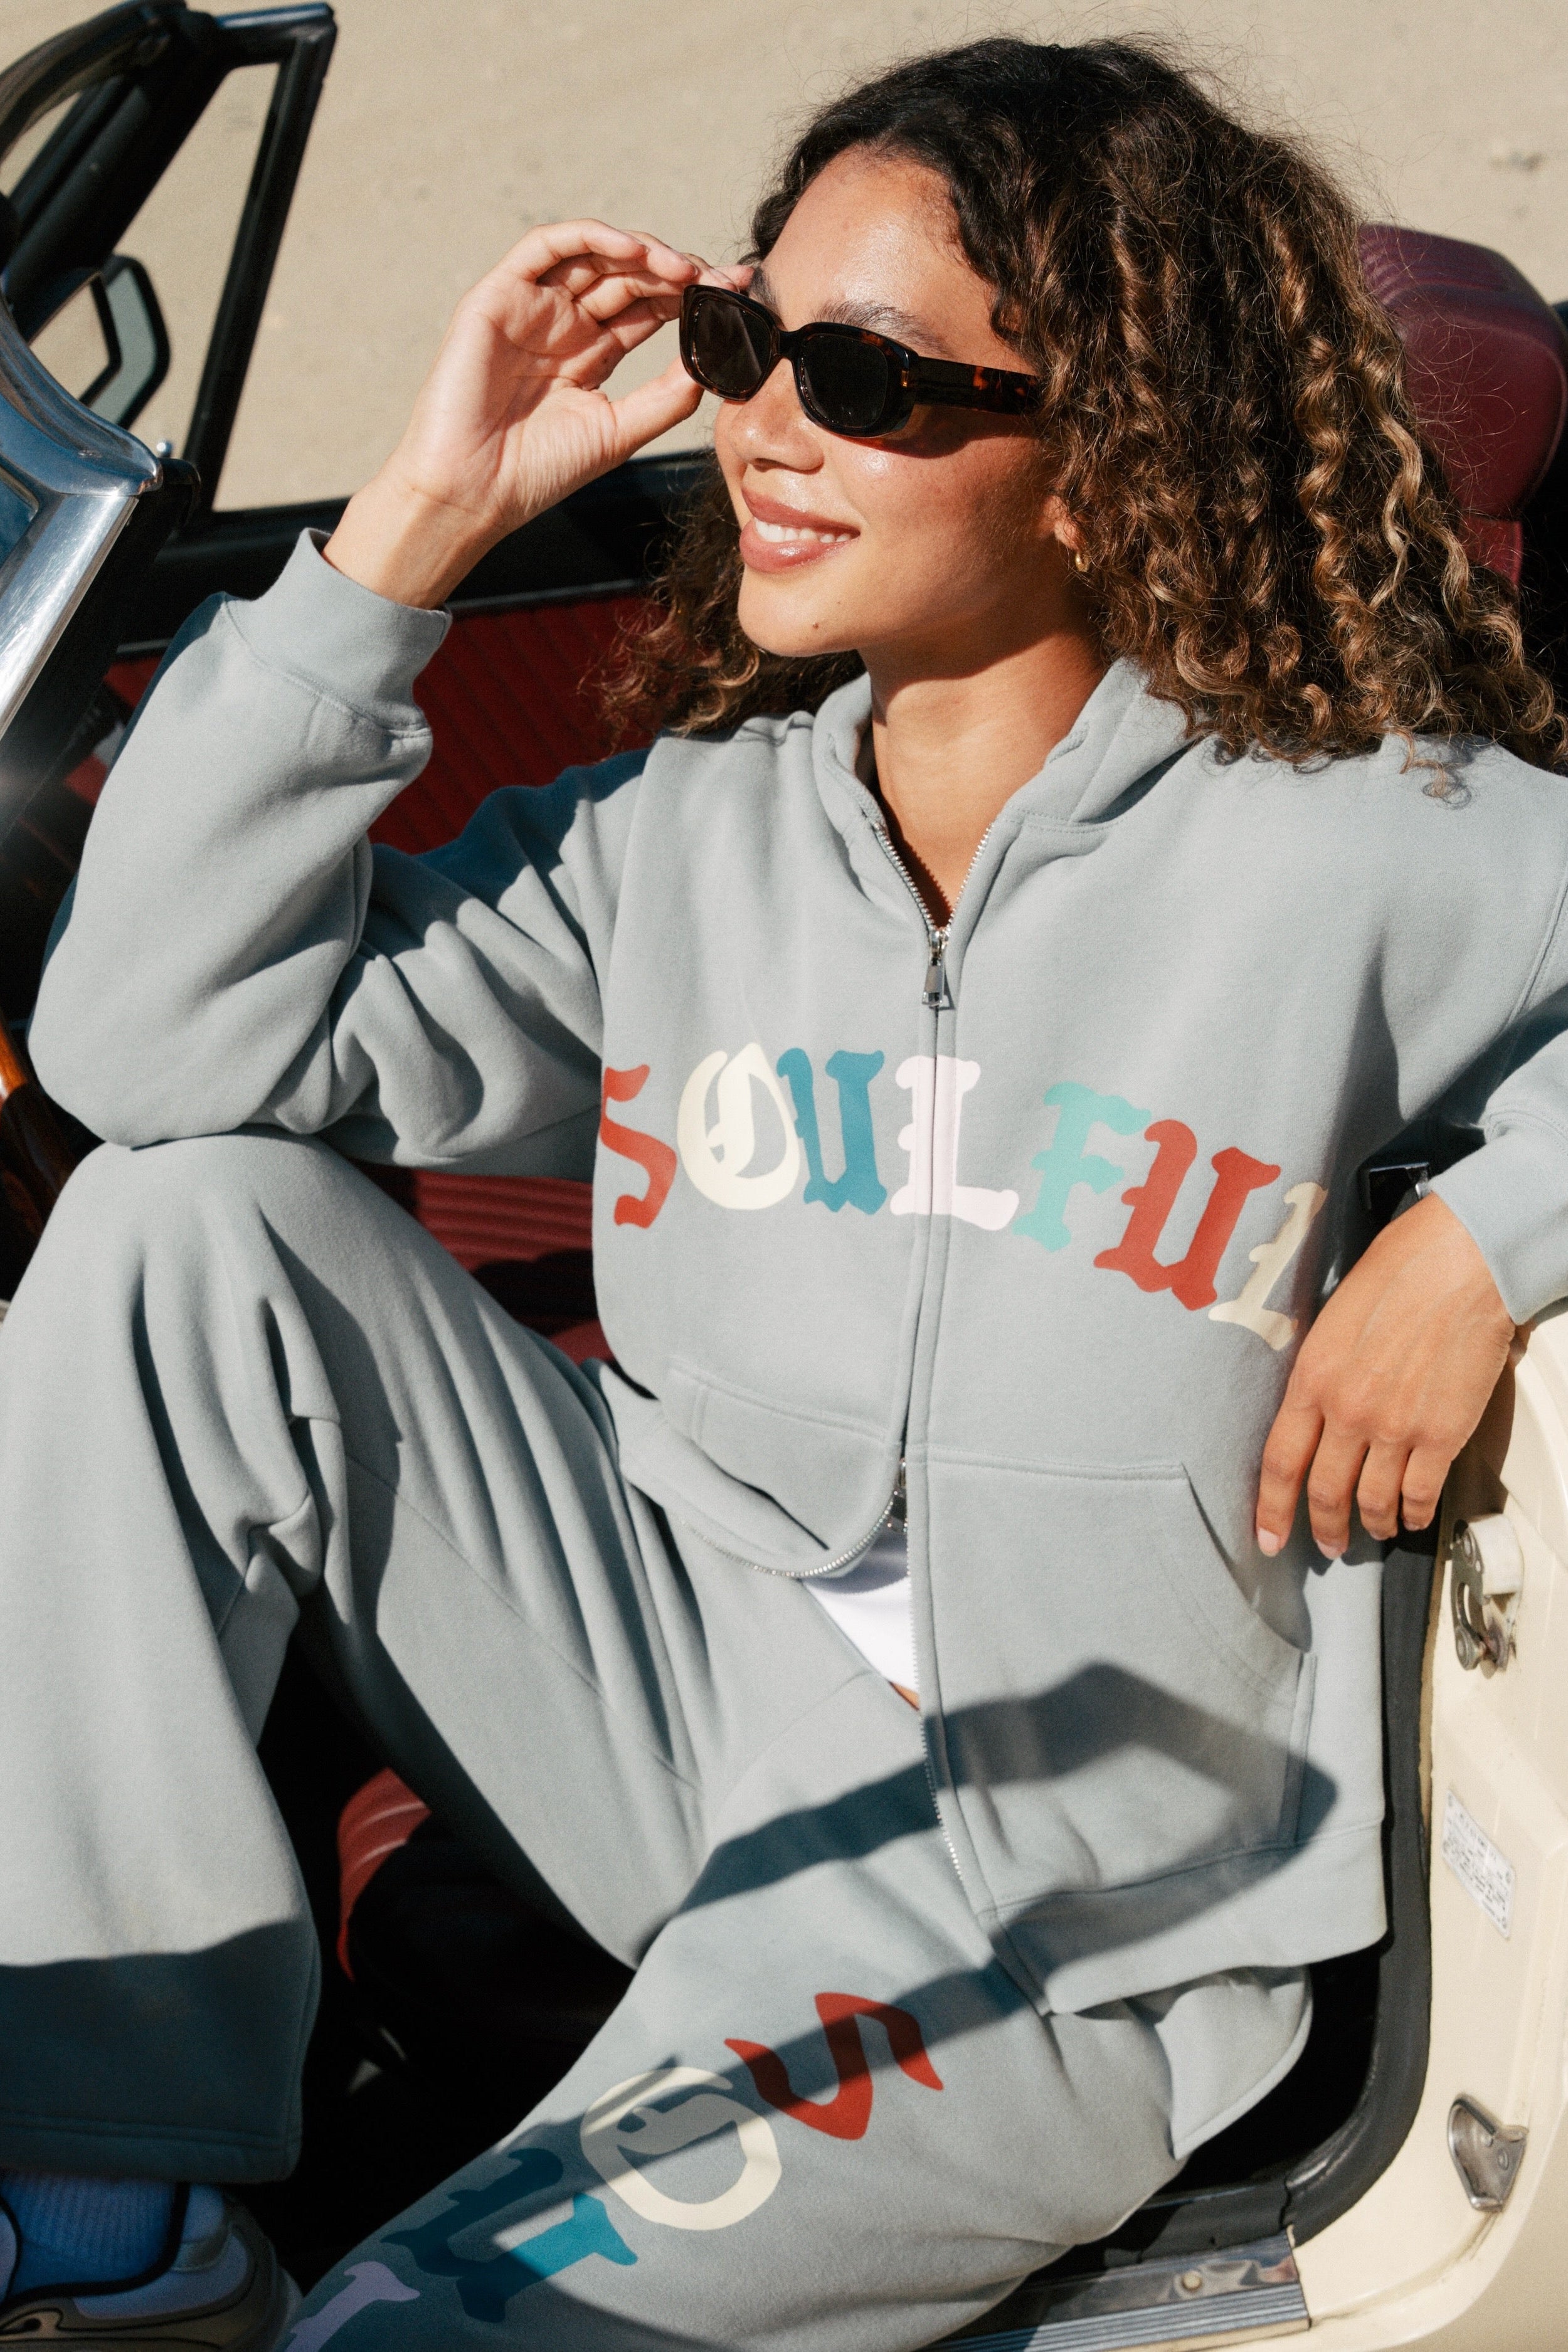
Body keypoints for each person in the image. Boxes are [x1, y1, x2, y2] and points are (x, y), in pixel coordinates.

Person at [0, 31, 1560, 2352]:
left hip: (1067, 1911)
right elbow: (148, 1051)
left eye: (863, 380)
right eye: (746, 344)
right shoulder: (690, 831)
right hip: (678, 1702)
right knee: (177, 1228)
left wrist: (1479, 1240)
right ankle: (111, 2224)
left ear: (1107, 458)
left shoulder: (1370, 844)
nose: (762, 429)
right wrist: (410, 530)